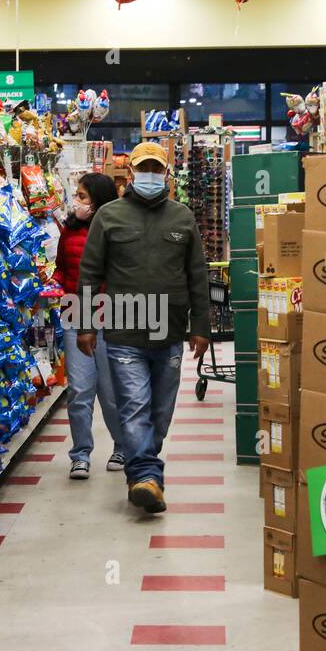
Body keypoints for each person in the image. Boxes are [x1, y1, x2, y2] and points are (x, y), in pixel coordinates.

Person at [77, 141, 211, 514]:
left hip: (169, 334)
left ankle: (145, 470)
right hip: (123, 335)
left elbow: (197, 275)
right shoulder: (109, 217)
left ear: (166, 174)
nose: (150, 175)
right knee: (135, 408)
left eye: (156, 169)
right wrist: (85, 324)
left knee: (159, 415)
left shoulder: (182, 217)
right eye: (144, 169)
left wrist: (201, 325)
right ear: (132, 173)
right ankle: (145, 478)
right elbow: (90, 272)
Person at [56, 173, 127, 480]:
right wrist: (51, 286)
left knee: (111, 392)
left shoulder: (116, 230)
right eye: (77, 196)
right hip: (75, 313)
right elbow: (62, 268)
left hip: (109, 316)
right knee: (79, 390)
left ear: (99, 199)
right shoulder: (68, 230)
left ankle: (122, 445)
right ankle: (80, 454)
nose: (77, 202)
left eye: (82, 196)